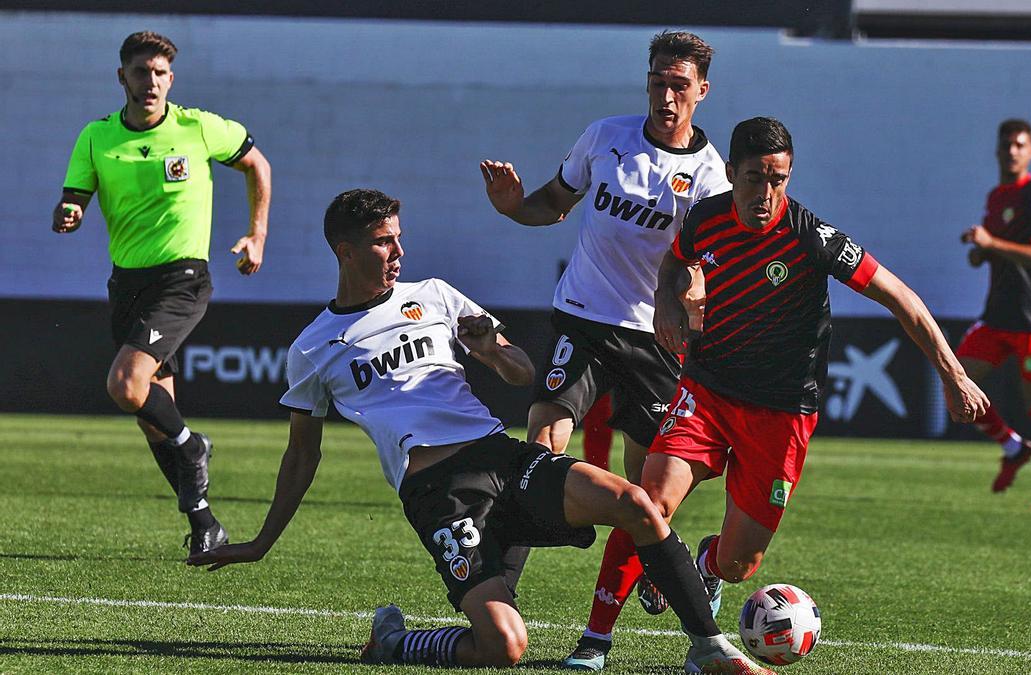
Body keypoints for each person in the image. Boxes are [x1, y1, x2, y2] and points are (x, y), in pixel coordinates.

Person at [185, 189, 773, 673]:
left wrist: (490, 349)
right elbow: (300, 458)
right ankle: (396, 643)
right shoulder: (312, 348)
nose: (397, 251)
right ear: (343, 251)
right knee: (504, 649)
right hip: (439, 494)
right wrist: (262, 542)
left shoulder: (434, 296)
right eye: (382, 241)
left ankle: (709, 648)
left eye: (398, 237)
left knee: (638, 504)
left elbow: (523, 372)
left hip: (502, 458)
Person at [563, 117, 990, 670]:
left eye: (778, 179)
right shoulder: (706, 218)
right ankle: (595, 642)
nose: (766, 194)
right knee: (647, 502)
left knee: (742, 564)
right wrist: (668, 298)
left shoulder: (810, 236)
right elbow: (676, 258)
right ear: (730, 174)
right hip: (707, 392)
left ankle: (706, 567)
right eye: (754, 178)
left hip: (782, 414)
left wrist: (953, 375)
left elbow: (900, 297)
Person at [479, 30, 729, 653]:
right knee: (539, 448)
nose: (666, 96)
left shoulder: (708, 176)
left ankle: (663, 569)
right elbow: (552, 203)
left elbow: (705, 263)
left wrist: (694, 290)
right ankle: (497, 596)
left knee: (645, 495)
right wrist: (513, 207)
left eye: (679, 85)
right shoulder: (604, 137)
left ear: (701, 90)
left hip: (653, 341)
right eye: (656, 82)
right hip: (581, 319)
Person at [52, 31, 272, 554]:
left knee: (127, 386)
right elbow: (73, 199)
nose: (149, 81)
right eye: (140, 72)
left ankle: (193, 445)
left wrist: (257, 233)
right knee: (153, 418)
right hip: (126, 285)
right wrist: (70, 214)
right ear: (121, 77)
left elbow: (257, 165)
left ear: (170, 79)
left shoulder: (198, 128)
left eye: (159, 73)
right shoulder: (97, 137)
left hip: (182, 279)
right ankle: (204, 523)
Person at [958, 119, 1031, 511]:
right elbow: (995, 248)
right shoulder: (997, 197)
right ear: (997, 150)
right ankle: (1012, 446)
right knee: (956, 381)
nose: (1012, 150)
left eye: (1020, 144)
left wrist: (992, 242)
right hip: (997, 316)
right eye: (1007, 144)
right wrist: (981, 250)